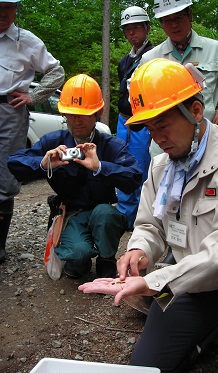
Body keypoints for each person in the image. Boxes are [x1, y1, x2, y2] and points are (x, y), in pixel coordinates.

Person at [78, 59, 218, 372]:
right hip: (189, 281)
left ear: (196, 111)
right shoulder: (161, 166)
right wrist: (139, 250)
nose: (157, 137)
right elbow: (149, 224)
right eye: (149, 128)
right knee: (149, 364)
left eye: (163, 124)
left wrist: (151, 282)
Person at [7, 74, 143, 279]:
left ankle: (106, 258)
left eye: (83, 114)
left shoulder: (111, 145)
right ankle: (80, 256)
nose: (76, 120)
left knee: (106, 215)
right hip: (70, 213)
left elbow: (134, 177)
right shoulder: (53, 142)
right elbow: (14, 163)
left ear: (98, 113)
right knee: (77, 259)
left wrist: (100, 166)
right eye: (71, 114)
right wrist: (43, 164)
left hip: (102, 210)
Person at [137, 0, 218, 158]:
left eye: (178, 17)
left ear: (190, 15)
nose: (174, 25)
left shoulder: (216, 50)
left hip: (206, 142)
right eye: (167, 20)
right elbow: (136, 98)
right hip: (164, 148)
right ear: (161, 23)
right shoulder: (150, 59)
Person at [0, 0, 65, 264]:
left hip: (10, 111)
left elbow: (56, 71)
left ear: (16, 10)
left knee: (5, 176)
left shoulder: (26, 41)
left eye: (9, 7)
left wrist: (34, 96)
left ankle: (0, 244)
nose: (4, 13)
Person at [116, 6, 153, 230]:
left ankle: (142, 220)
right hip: (123, 120)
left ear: (147, 28)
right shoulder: (124, 62)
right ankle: (125, 217)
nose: (132, 33)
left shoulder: (155, 56)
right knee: (122, 163)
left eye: (136, 28)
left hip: (143, 121)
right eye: (127, 29)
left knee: (141, 166)